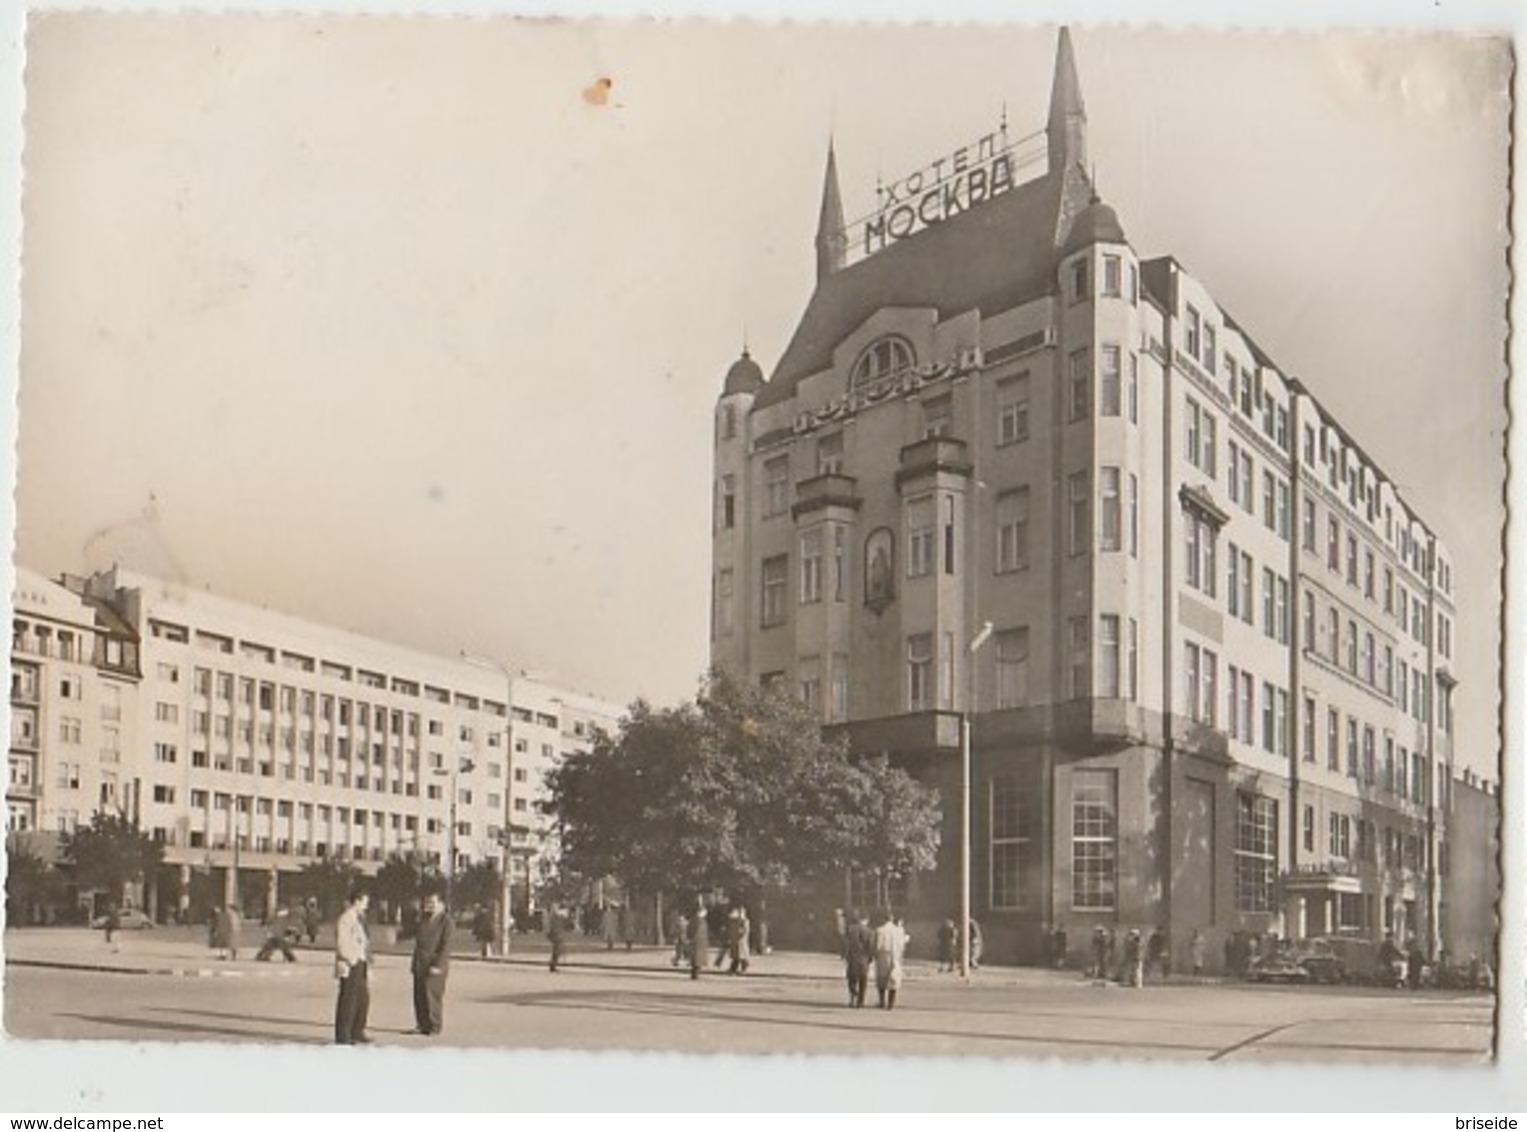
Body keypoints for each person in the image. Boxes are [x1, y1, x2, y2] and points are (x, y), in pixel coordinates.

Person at [410, 891, 453, 1035]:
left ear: (442, 904)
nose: (429, 906)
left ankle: (435, 1025)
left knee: (432, 995)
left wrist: (438, 965)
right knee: (419, 994)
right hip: (420, 962)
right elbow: (414, 935)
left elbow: (445, 946)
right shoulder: (423, 918)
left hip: (434, 963)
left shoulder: (446, 921)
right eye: (428, 903)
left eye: (433, 903)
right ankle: (422, 1024)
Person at [333, 885, 371, 1045]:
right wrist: (351, 959)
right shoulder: (346, 919)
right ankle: (344, 1035)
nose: (366, 905)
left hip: (360, 961)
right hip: (350, 963)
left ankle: (357, 1030)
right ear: (357, 901)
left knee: (362, 998)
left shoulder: (358, 918)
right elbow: (342, 942)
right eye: (364, 902)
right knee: (348, 1000)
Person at [872, 910, 910, 1009]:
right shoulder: (899, 930)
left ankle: (882, 1001)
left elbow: (877, 945)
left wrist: (875, 954)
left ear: (883, 919)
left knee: (882, 978)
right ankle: (891, 1003)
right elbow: (902, 944)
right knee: (893, 979)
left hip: (883, 955)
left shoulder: (879, 930)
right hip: (896, 955)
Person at [843, 909, 873, 1007]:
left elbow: (845, 943)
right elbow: (870, 946)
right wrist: (870, 958)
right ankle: (861, 1001)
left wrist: (845, 955)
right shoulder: (869, 931)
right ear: (866, 920)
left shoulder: (850, 929)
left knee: (852, 979)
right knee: (863, 981)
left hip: (852, 958)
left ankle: (852, 997)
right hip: (864, 959)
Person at [688, 896, 709, 981]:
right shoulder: (699, 920)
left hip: (699, 941)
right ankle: (695, 974)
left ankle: (695, 973)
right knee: (696, 959)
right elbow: (695, 930)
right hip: (698, 941)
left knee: (696, 959)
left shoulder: (698, 920)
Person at [728, 905, 751, 975]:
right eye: (739, 913)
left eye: (742, 913)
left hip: (742, 941)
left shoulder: (745, 921)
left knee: (742, 956)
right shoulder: (735, 921)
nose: (740, 914)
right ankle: (733, 968)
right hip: (736, 941)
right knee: (736, 956)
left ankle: (744, 967)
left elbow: (746, 930)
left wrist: (742, 932)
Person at [547, 906, 567, 972]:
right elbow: (555, 927)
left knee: (556, 950)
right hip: (556, 936)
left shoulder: (555, 918)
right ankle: (553, 964)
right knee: (556, 950)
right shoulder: (555, 918)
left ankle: (553, 964)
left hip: (556, 935)